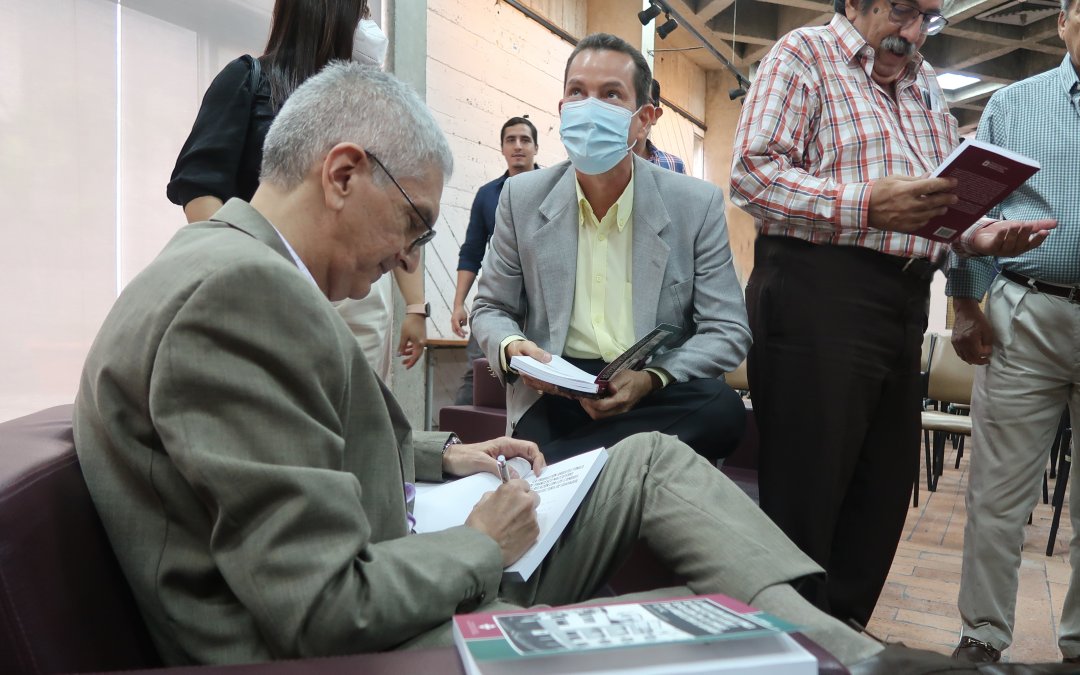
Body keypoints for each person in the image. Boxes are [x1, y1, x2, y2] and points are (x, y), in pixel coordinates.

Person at [72, 61, 891, 670]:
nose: (410, 255)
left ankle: (832, 641)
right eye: (415, 225)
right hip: (368, 638)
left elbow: (290, 451)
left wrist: (441, 454)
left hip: (395, 564)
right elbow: (320, 608)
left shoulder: (233, 270)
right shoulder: (240, 297)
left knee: (648, 457)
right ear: (344, 173)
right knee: (674, 639)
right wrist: (478, 544)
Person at [729, 0, 1056, 630]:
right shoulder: (803, 56)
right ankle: (788, 640)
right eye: (901, 12)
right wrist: (864, 205)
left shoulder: (926, 86)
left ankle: (842, 635)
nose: (912, 34)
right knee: (809, 489)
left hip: (902, 298)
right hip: (817, 291)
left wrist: (981, 236)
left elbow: (939, 202)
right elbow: (751, 174)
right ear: (854, 3)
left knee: (880, 490)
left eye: (927, 19)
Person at [944, 0, 1080, 666]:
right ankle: (982, 634)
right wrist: (964, 304)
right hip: (1025, 313)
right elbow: (971, 204)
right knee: (997, 495)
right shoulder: (1013, 104)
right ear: (1062, 22)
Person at [471, 33, 750, 463]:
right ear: (562, 110)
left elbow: (727, 330)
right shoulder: (521, 198)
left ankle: (564, 466)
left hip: (648, 390)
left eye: (611, 95)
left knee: (723, 410)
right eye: (578, 92)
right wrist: (511, 347)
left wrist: (654, 378)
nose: (590, 108)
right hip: (555, 389)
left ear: (645, 119)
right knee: (555, 428)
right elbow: (490, 308)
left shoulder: (695, 204)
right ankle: (621, 463)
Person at [165, 0, 428, 379]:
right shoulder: (251, 79)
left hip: (359, 292)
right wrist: (248, 272)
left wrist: (416, 305)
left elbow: (399, 214)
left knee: (358, 415)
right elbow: (200, 186)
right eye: (363, 13)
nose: (370, 27)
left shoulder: (368, 110)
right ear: (326, 13)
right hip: (271, 281)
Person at [450, 116, 540, 405]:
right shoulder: (487, 195)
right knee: (477, 374)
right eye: (510, 140)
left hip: (543, 305)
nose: (518, 146)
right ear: (502, 147)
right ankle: (462, 445)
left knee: (541, 374)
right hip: (498, 299)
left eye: (525, 140)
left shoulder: (555, 190)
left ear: (536, 147)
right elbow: (472, 252)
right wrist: (458, 303)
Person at [633, 79, 686, 173]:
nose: (631, 107)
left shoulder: (674, 167)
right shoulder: (600, 163)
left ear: (655, 115)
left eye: (641, 100)